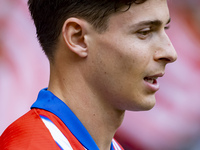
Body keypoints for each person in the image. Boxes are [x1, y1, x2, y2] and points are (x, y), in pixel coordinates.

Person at [0, 0, 177, 149]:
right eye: (144, 32)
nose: (170, 53)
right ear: (78, 37)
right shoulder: (30, 145)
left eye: (165, 29)